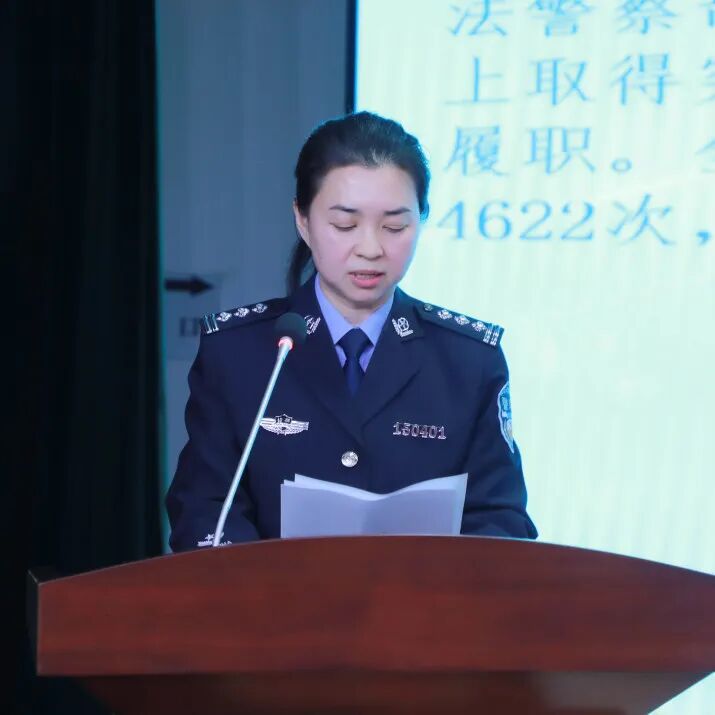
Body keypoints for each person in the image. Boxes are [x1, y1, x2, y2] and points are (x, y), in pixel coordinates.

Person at [166, 111, 537, 550]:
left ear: (422, 219)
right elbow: (205, 506)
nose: (370, 248)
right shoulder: (239, 353)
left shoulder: (468, 360)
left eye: (395, 226)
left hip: (425, 595)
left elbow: (500, 518)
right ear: (303, 220)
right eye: (345, 225)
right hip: (270, 595)